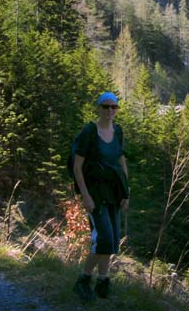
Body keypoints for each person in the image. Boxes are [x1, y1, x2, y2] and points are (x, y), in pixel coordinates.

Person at [72, 91, 129, 302]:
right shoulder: (89, 132)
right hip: (94, 192)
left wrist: (126, 193)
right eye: (105, 106)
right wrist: (85, 196)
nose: (110, 111)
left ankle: (102, 282)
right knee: (103, 237)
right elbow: (78, 168)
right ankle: (84, 280)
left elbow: (122, 163)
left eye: (114, 107)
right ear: (98, 108)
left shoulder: (118, 131)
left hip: (114, 192)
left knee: (112, 240)